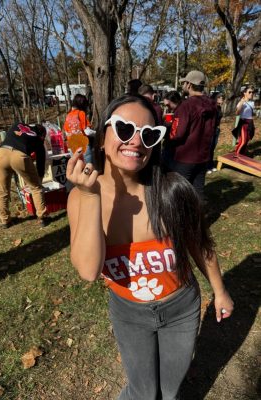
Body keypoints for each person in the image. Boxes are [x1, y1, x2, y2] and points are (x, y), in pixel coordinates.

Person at [66, 94, 234, 400]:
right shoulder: (81, 196)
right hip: (129, 312)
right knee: (142, 392)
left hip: (181, 307)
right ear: (103, 138)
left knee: (171, 392)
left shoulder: (172, 190)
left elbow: (201, 246)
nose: (136, 141)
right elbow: (89, 270)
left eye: (148, 134)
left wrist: (219, 291)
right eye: (125, 129)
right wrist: (91, 198)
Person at [165, 70, 217, 200]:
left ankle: (180, 219)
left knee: (179, 193)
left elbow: (177, 134)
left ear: (188, 85)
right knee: (197, 191)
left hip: (184, 157)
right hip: (203, 157)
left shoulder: (186, 106)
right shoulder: (212, 105)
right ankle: (197, 219)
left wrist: (167, 134)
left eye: (184, 83)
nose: (183, 86)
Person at [0, 123, 49, 228]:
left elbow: (14, 139)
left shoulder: (17, 124)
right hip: (19, 156)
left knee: (2, 190)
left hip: (1, 153)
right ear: (42, 135)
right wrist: (39, 180)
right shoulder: (37, 139)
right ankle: (42, 217)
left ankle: (5, 220)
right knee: (36, 188)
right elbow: (40, 163)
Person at [63, 93, 94, 163]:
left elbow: (66, 132)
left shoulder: (68, 115)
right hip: (83, 145)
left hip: (72, 146)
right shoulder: (81, 113)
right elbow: (87, 131)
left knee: (77, 167)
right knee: (88, 167)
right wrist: (97, 133)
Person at [234, 86, 255, 156]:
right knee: (243, 141)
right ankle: (236, 155)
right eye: (249, 92)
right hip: (244, 123)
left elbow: (251, 113)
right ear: (244, 93)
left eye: (252, 92)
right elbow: (237, 113)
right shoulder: (241, 102)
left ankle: (243, 154)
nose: (251, 93)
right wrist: (241, 103)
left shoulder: (252, 103)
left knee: (247, 139)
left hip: (250, 123)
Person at [207, 93, 224, 173]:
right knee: (209, 148)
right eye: (219, 97)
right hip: (211, 130)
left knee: (212, 148)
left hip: (216, 130)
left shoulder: (219, 107)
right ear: (215, 98)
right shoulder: (212, 108)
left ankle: (210, 165)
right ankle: (206, 167)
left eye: (222, 97)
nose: (221, 99)